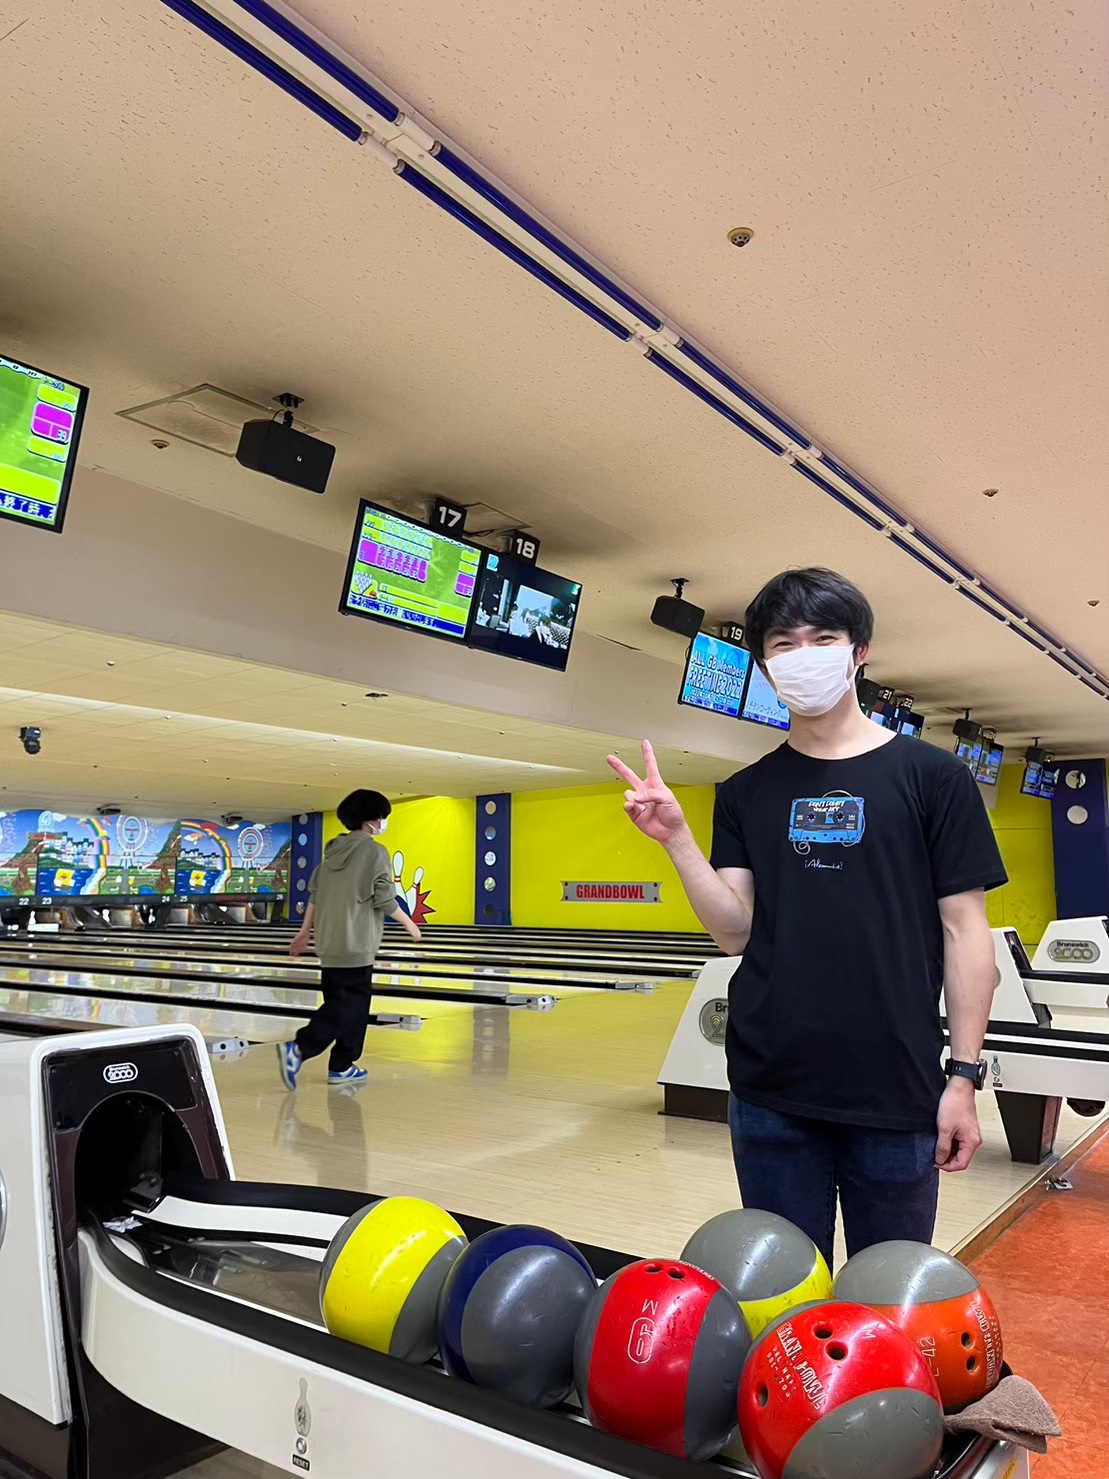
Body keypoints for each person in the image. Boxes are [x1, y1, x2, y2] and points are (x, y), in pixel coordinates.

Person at [608, 568, 1006, 1265]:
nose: (803, 655)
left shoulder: (934, 778)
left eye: (823, 638)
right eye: (783, 643)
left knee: (888, 1291)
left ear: (859, 652)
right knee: (783, 1291)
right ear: (764, 667)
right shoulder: (745, 791)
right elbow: (734, 931)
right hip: (770, 1087)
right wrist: (677, 841)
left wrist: (963, 1076)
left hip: (896, 1084)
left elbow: (964, 931)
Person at [278, 788, 420, 1089]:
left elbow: (314, 897)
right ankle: (299, 1048)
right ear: (372, 820)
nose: (383, 822)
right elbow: (384, 898)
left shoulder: (329, 857)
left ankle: (341, 1066)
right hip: (356, 943)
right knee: (348, 1007)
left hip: (329, 944)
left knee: (347, 1006)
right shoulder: (375, 852)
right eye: (382, 817)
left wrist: (303, 933)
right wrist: (410, 923)